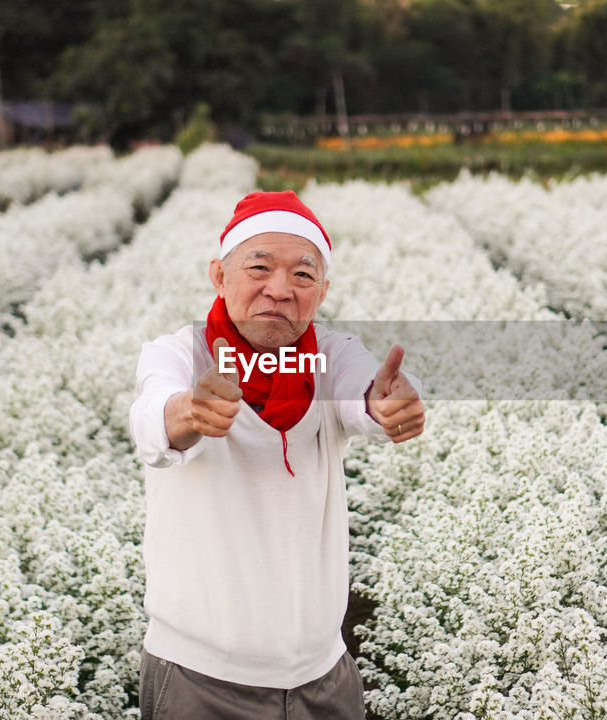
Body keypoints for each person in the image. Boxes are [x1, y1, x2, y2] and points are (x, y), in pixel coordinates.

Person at [128, 190, 425, 719]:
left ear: (323, 290)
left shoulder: (330, 357)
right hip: (199, 680)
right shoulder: (179, 354)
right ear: (219, 275)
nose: (280, 290)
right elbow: (152, 420)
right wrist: (190, 413)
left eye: (303, 276)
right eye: (259, 268)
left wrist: (388, 404)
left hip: (323, 677)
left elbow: (366, 390)